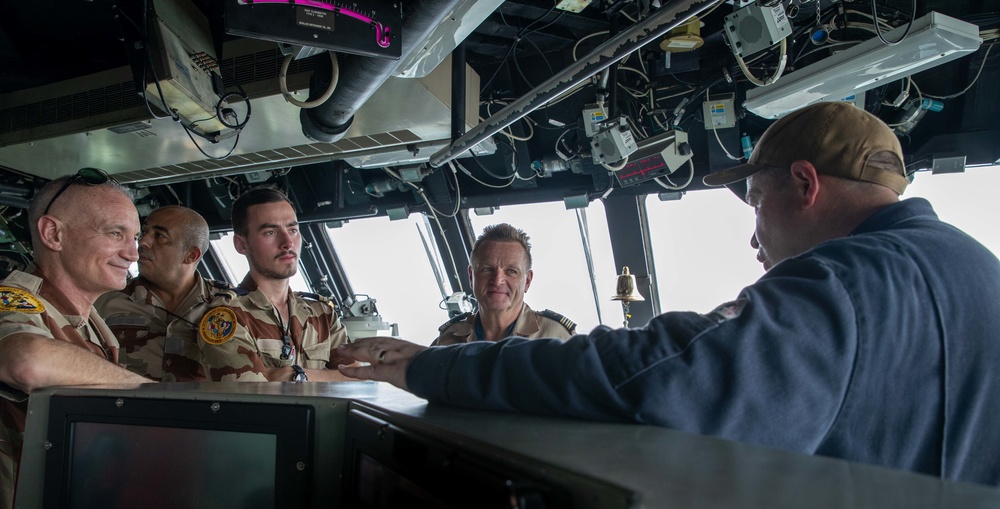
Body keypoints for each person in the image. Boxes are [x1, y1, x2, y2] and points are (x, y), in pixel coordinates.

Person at [337, 101, 1000, 486]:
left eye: (756, 202)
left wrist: (431, 366)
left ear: (805, 184)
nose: (754, 239)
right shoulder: (978, 269)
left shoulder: (844, 279)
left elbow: (664, 377)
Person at [0, 168, 154, 509]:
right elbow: (26, 360)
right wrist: (150, 392)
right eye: (115, 233)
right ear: (53, 235)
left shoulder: (93, 326)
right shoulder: (13, 300)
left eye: (135, 237)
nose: (133, 253)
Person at [198, 186, 353, 382]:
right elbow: (252, 391)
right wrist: (328, 377)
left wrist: (294, 376)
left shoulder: (322, 313)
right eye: (270, 232)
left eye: (293, 229)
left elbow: (358, 377)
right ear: (241, 244)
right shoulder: (225, 317)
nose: (287, 242)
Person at [96, 205, 232, 381]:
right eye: (144, 233)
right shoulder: (105, 301)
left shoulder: (231, 305)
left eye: (159, 236)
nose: (143, 242)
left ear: (191, 255)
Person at [432, 223, 576, 345]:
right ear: (471, 276)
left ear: (527, 281)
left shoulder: (559, 338)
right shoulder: (447, 340)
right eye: (487, 269)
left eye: (511, 271)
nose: (497, 280)